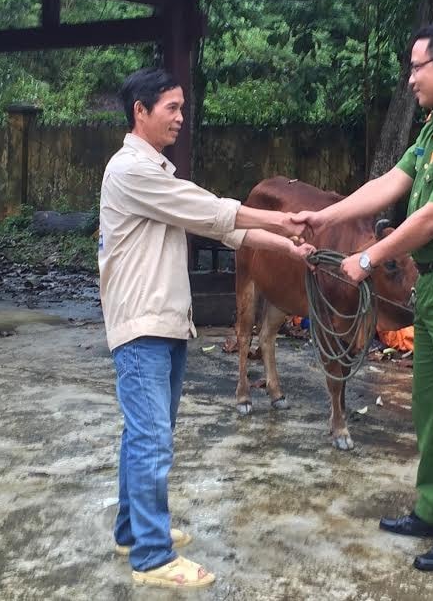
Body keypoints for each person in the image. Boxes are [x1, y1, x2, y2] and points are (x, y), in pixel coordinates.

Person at [292, 21, 433, 572]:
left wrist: (367, 260)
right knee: (432, 410)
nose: (410, 77)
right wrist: (324, 216)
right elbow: (390, 183)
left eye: (417, 66)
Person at [99, 67, 314, 589]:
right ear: (140, 112)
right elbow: (212, 212)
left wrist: (288, 247)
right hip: (142, 325)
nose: (180, 116)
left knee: (146, 435)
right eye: (171, 107)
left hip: (164, 322)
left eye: (181, 107)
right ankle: (151, 557)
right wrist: (281, 221)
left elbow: (226, 233)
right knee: (152, 440)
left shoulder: (158, 174)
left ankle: (133, 530)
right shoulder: (132, 170)